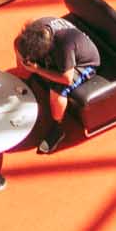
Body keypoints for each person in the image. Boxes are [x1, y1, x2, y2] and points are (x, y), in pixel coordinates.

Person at [11, 13, 100, 153]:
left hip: (83, 64)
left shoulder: (63, 46)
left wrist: (38, 70)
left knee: (57, 91)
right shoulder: (36, 27)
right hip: (59, 54)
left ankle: (57, 128)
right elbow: (19, 43)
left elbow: (66, 78)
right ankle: (28, 82)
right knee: (21, 50)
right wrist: (24, 61)